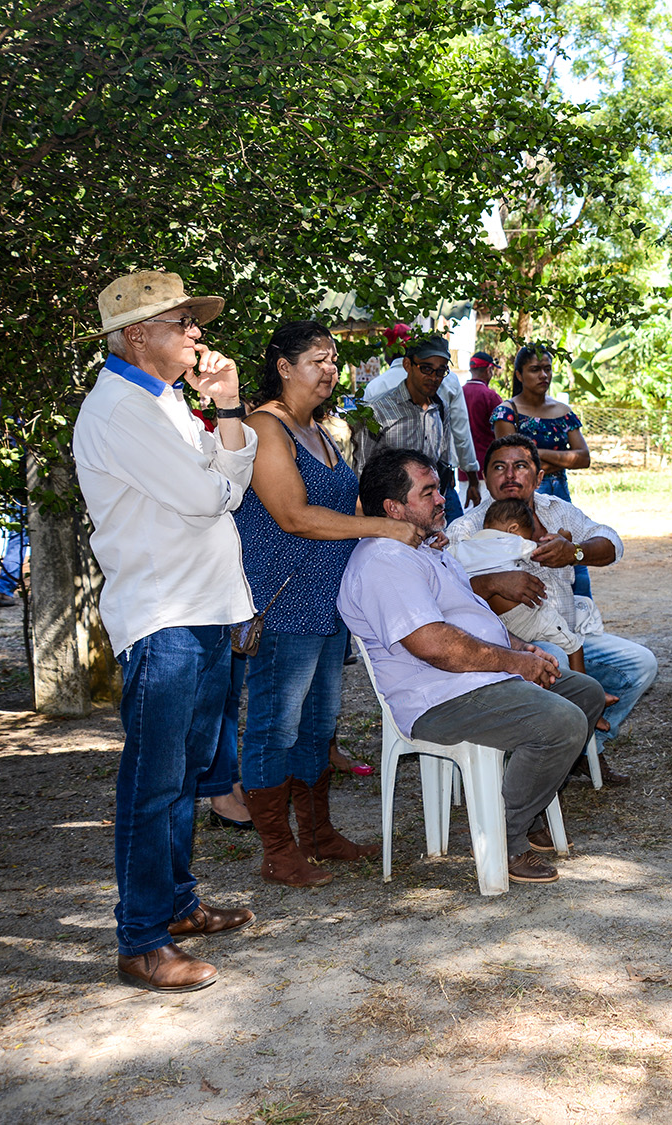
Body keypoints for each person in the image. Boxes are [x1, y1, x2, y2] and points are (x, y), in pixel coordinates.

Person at [72, 270, 258, 993]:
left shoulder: (164, 402)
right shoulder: (122, 411)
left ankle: (177, 908)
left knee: (183, 777)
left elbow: (226, 476)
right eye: (183, 322)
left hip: (199, 612)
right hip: (166, 620)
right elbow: (215, 492)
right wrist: (226, 448)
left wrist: (230, 410)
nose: (197, 333)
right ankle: (141, 940)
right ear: (138, 335)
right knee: (153, 786)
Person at [339, 450, 606, 886]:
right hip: (440, 696)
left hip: (478, 678)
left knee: (584, 693)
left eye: (439, 489)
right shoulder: (384, 560)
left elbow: (472, 618)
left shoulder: (427, 547)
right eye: (428, 493)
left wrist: (523, 649)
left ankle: (526, 805)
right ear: (393, 508)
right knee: (560, 721)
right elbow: (435, 647)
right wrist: (516, 663)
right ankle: (505, 835)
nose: (443, 499)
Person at [233, 319, 410, 889]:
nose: (330, 369)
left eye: (333, 359)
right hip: (283, 605)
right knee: (273, 730)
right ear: (283, 367)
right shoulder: (265, 427)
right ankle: (278, 852)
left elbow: (339, 506)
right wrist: (382, 527)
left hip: (327, 607)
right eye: (318, 359)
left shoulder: (321, 431)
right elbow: (292, 515)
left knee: (317, 729)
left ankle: (318, 835)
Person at [446, 436, 656, 775]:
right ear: (485, 476)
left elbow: (612, 543)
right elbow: (444, 593)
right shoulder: (467, 529)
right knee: (555, 662)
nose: (510, 475)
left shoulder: (556, 511)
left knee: (640, 665)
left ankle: (585, 747)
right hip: (514, 644)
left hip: (570, 632)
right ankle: (553, 749)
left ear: (539, 476)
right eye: (499, 467)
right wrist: (491, 583)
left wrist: (574, 552)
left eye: (521, 466)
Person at [492, 345, 592, 594]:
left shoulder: (564, 412)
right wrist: (553, 459)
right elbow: (512, 465)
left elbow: (583, 458)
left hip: (560, 494)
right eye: (535, 369)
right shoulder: (507, 413)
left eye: (547, 369)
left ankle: (583, 620)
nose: (543, 375)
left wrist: (536, 455)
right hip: (525, 498)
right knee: (531, 558)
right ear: (518, 375)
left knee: (573, 556)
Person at [359, 336, 481, 523]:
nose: (434, 377)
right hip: (394, 514)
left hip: (432, 505)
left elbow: (445, 454)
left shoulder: (440, 407)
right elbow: (361, 471)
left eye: (441, 371)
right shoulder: (378, 410)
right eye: (426, 368)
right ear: (408, 365)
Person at [448, 498, 585, 662]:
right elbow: (544, 551)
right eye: (525, 536)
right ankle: (583, 683)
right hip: (523, 617)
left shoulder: (460, 547)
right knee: (572, 643)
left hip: (492, 623)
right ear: (513, 529)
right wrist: (563, 539)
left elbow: (443, 565)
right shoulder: (512, 542)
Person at [462, 351, 503, 469]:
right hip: (487, 464)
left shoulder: (458, 393)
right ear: (488, 370)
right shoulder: (491, 397)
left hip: (464, 465)